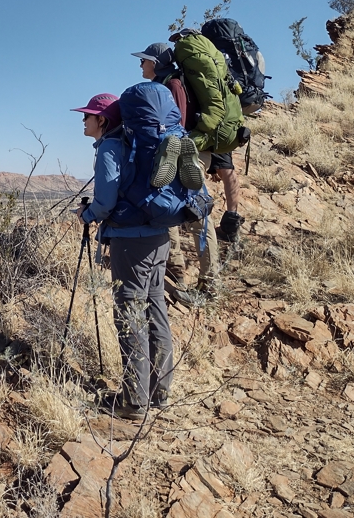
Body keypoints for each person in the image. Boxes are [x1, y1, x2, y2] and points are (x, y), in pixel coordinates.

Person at [72, 90, 174, 420]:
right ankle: (159, 393)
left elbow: (105, 201)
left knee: (130, 316)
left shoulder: (110, 149)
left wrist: (87, 216)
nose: (83, 120)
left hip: (131, 242)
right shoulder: (136, 144)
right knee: (155, 309)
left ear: (102, 120)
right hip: (158, 233)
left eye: (87, 116)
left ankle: (135, 401)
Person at [131, 42, 220, 295]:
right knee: (169, 207)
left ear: (156, 63)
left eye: (144, 60)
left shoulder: (173, 85)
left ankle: (210, 283)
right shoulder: (168, 83)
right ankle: (176, 268)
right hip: (179, 154)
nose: (140, 64)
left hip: (185, 154)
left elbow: (175, 125)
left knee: (197, 215)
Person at [169, 27, 246, 269]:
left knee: (195, 205)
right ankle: (231, 221)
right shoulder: (214, 60)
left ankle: (204, 274)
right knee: (225, 172)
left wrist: (194, 134)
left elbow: (213, 107)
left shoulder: (195, 64)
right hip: (225, 130)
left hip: (208, 132)